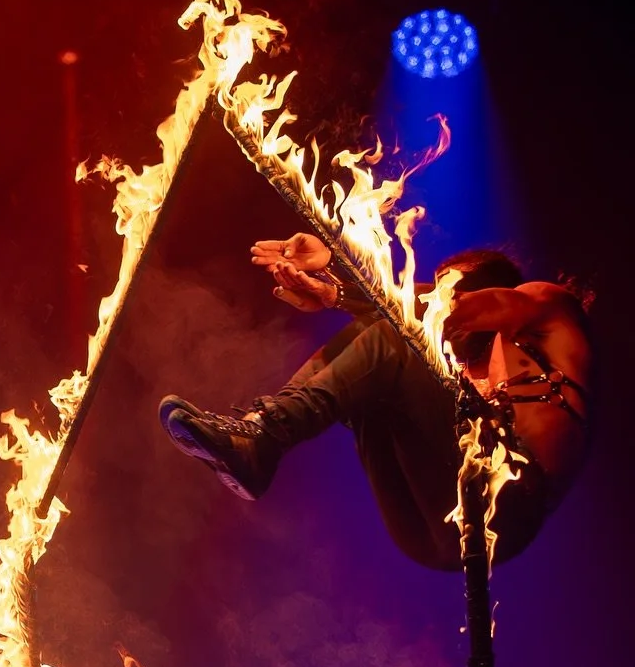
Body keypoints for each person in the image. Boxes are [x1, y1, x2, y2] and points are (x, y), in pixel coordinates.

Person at [158, 232, 593, 572]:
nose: (433, 296)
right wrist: (332, 292)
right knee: (376, 357)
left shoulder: (546, 310)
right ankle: (258, 441)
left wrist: (335, 285)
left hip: (507, 509)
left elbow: (440, 309)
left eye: (450, 288)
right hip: (430, 532)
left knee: (397, 337)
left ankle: (263, 438)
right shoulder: (460, 371)